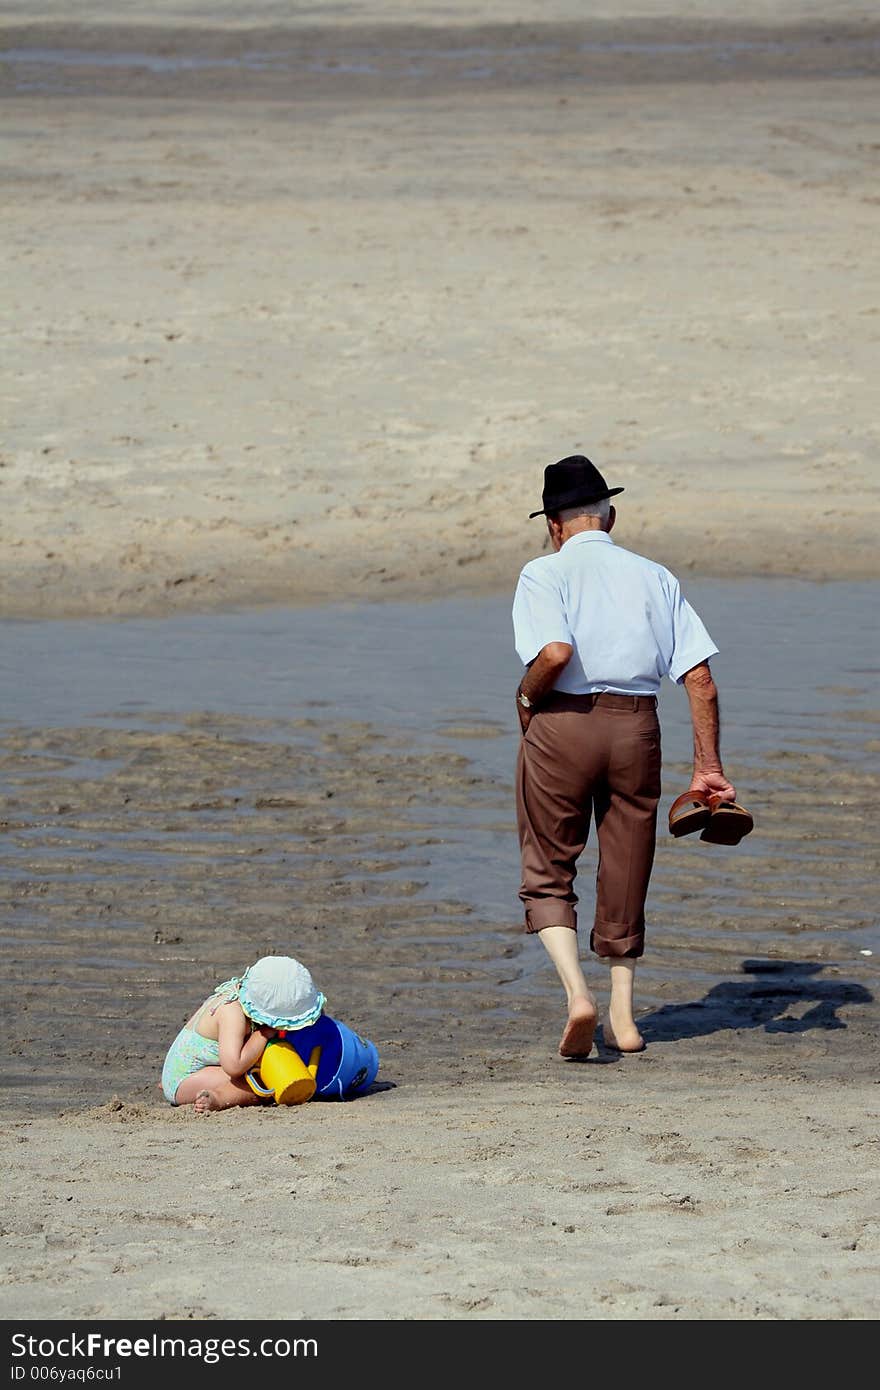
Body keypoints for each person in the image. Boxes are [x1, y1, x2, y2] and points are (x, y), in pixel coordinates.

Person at [512, 454, 739, 1061]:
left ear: (554, 525)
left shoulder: (543, 573)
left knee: (547, 866)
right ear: (609, 517)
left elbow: (555, 652)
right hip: (636, 726)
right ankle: (623, 1015)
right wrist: (708, 768)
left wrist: (526, 696)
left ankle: (577, 996)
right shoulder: (655, 576)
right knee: (628, 859)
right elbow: (701, 679)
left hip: (562, 725)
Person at [161, 954, 326, 1112]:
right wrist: (264, 1034)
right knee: (263, 1084)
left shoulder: (245, 995)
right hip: (184, 1079)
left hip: (199, 1069)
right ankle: (218, 1099)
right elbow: (234, 1066)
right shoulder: (232, 1013)